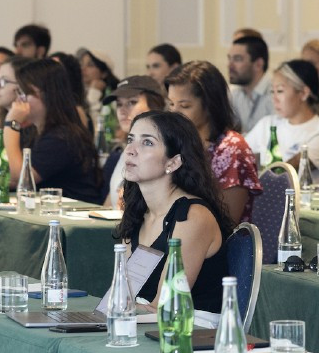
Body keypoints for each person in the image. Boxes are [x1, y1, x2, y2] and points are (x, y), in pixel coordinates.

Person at [114, 110, 233, 313]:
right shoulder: (138, 211)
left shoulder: (192, 217)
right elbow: (124, 293)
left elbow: (167, 306)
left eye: (147, 143)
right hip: (143, 324)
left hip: (192, 332)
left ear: (173, 162)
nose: (131, 150)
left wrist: (116, 308)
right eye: (131, 140)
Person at [165, 60, 261, 222]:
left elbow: (229, 220)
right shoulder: (179, 143)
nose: (174, 113)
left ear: (210, 105)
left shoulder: (232, 148)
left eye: (184, 106)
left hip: (220, 242)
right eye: (171, 104)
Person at [6, 58, 101, 202]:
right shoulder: (34, 131)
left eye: (24, 92)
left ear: (45, 94)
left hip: (73, 220)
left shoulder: (62, 137)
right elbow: (7, 172)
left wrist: (11, 124)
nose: (19, 100)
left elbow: (21, 178)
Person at [244, 60, 319, 184]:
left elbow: (282, 173)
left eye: (280, 91)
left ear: (303, 93)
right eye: (273, 91)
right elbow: (239, 156)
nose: (274, 98)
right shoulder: (267, 124)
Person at [101, 76, 167, 208]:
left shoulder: (163, 152)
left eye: (132, 102)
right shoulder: (124, 151)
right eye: (119, 104)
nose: (122, 110)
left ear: (155, 105)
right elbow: (109, 207)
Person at [227, 34, 272, 132]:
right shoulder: (234, 93)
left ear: (258, 64)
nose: (230, 65)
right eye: (229, 58)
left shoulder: (276, 94)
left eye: (237, 59)